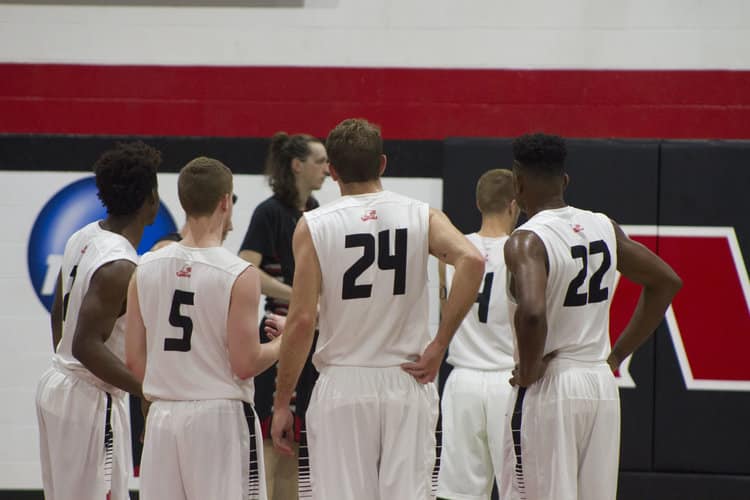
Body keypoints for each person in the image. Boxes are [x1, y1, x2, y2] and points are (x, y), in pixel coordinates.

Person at [271, 118, 486, 500]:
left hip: (342, 383)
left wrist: (283, 400)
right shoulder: (422, 214)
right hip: (406, 379)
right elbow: (472, 260)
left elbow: (302, 319)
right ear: (383, 164)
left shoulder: (314, 225)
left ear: (333, 172)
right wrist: (440, 344)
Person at [501, 133, 683, 500]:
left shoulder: (526, 240)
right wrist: (616, 355)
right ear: (564, 181)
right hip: (599, 382)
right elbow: (666, 281)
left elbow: (533, 313)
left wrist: (531, 368)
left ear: (518, 182)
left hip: (551, 383)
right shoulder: (603, 225)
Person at [125, 157, 280, 500]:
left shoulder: (145, 267)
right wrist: (284, 342)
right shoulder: (240, 273)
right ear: (226, 201)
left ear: (182, 201)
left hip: (163, 417)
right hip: (219, 419)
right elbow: (245, 364)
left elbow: (134, 363)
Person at [35, 141, 161, 500]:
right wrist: (148, 390)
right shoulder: (121, 265)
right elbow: (86, 346)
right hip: (89, 397)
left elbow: (59, 312)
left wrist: (68, 366)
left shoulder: (84, 234)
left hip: (60, 384)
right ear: (150, 200)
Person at [238, 132, 328, 499]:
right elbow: (246, 268)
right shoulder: (269, 212)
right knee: (274, 440)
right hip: (279, 332)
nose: (326, 168)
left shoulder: (318, 208)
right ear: (297, 165)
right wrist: (297, 296)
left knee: (299, 441)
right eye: (320, 161)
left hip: (314, 334)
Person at [436, 169, 519, 500]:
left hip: (463, 382)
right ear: (514, 205)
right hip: (508, 381)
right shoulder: (524, 250)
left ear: (477, 203)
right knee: (519, 489)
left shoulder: (454, 251)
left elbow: (446, 310)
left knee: (460, 494)